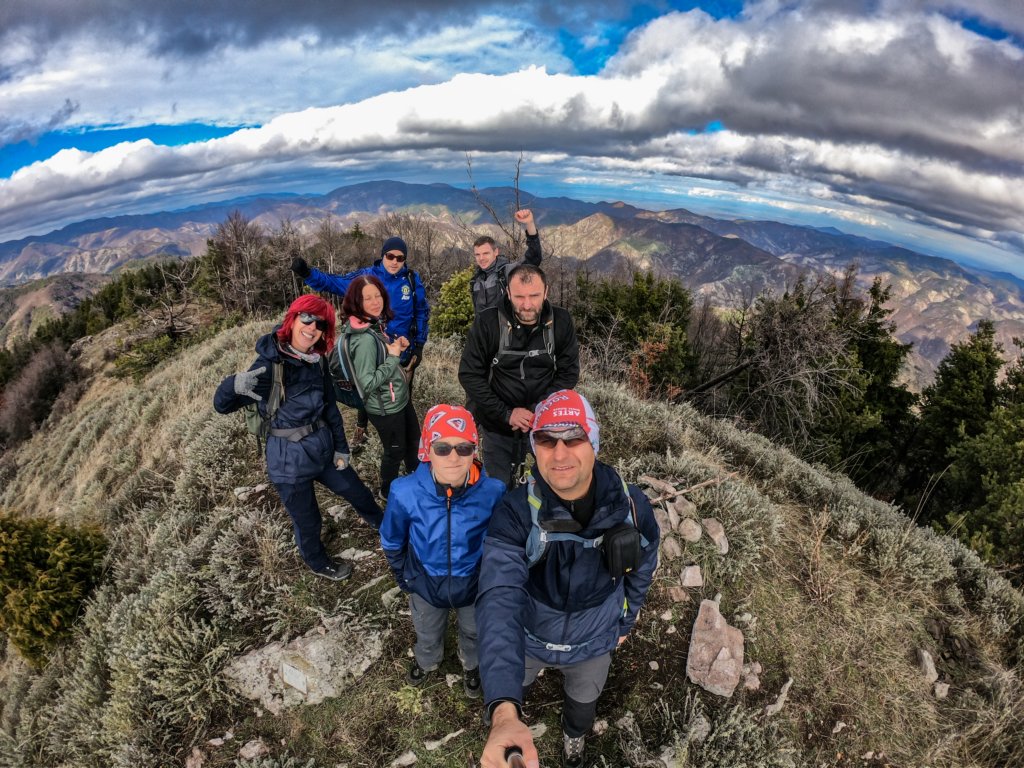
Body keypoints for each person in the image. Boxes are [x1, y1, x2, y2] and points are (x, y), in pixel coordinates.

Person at [476, 390, 660, 768]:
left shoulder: (632, 507)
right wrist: (504, 711)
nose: (559, 454)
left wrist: (626, 621)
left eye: (574, 438)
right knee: (514, 689)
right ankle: (512, 715)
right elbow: (498, 598)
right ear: (534, 447)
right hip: (528, 637)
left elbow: (642, 569)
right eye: (546, 440)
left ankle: (574, 736)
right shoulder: (515, 512)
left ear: (594, 443)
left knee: (582, 705)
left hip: (594, 641)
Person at [214, 295, 383, 581]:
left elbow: (330, 408)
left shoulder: (317, 361)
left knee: (358, 492)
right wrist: (232, 385)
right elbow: (222, 406)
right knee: (307, 520)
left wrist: (341, 448)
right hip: (287, 461)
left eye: (321, 324)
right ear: (292, 320)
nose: (313, 327)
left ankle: (385, 526)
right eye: (307, 318)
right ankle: (317, 562)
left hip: (323, 450)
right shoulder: (270, 366)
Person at [379, 404, 506, 697]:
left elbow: (501, 541)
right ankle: (427, 660)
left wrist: (492, 579)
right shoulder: (404, 491)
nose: (453, 457)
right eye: (442, 447)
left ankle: (471, 664)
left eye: (464, 447)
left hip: (474, 583)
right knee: (426, 630)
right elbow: (392, 540)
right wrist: (405, 577)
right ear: (427, 449)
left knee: (474, 631)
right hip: (425, 583)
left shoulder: (494, 491)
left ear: (474, 450)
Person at [291, 236, 429, 449]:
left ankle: (403, 435)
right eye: (390, 256)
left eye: (400, 258)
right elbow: (334, 283)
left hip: (402, 348)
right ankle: (362, 428)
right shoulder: (367, 277)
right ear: (382, 256)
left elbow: (421, 311)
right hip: (372, 346)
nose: (394, 261)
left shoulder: (411, 279)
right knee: (368, 388)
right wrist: (308, 274)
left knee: (402, 393)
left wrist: (419, 345)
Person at [458, 263, 580, 487]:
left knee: (553, 484)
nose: (527, 305)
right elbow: (469, 374)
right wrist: (506, 413)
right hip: (497, 423)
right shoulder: (488, 322)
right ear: (507, 293)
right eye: (519, 297)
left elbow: (568, 373)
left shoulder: (560, 321)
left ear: (546, 292)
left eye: (534, 296)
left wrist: (537, 409)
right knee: (497, 488)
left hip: (544, 423)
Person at [341, 275, 420, 499]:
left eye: (378, 295)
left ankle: (416, 478)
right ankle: (388, 491)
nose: (375, 302)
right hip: (385, 406)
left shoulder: (371, 325)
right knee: (395, 450)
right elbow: (366, 383)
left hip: (396, 398)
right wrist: (394, 357)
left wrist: (394, 348)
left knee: (414, 440)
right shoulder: (364, 339)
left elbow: (379, 359)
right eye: (367, 298)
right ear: (356, 302)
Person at [471, 209, 542, 316]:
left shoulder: (507, 272)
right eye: (477, 254)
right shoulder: (475, 281)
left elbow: (534, 258)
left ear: (496, 252)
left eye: (486, 253)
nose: (481, 258)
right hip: (483, 327)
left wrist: (529, 223)